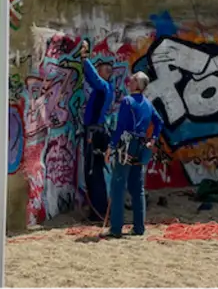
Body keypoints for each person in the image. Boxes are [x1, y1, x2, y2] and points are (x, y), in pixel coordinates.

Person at [106, 72, 164, 238]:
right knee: (137, 188)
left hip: (126, 145)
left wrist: (111, 146)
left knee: (118, 186)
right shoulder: (147, 103)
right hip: (142, 145)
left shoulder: (127, 101)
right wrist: (153, 140)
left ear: (137, 84)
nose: (128, 81)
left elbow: (121, 126)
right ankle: (139, 227)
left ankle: (116, 228)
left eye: (132, 79)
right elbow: (159, 122)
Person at [66, 39, 116, 222]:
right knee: (95, 173)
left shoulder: (103, 87)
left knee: (93, 173)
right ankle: (99, 210)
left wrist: (85, 58)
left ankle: (98, 212)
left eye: (100, 69)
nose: (98, 71)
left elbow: (93, 77)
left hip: (94, 134)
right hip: (98, 131)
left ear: (105, 74)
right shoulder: (108, 89)